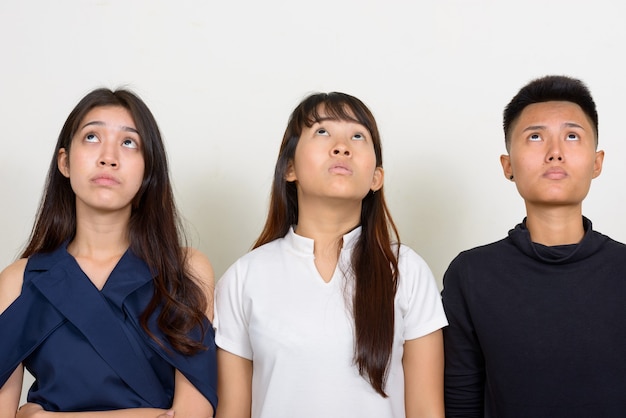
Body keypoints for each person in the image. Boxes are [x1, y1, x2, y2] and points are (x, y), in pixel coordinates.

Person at [214, 92, 448, 418]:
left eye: (357, 136)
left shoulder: (406, 270)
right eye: (322, 132)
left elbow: (426, 410)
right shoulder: (243, 277)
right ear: (290, 168)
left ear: (376, 178)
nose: (341, 146)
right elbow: (233, 411)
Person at [0, 88, 217, 417]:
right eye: (91, 137)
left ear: (147, 170)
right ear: (65, 162)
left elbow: (193, 414)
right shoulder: (19, 281)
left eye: (129, 142)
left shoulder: (186, 270)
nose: (108, 156)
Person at [442, 75, 626, 417]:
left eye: (572, 136)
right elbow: (461, 401)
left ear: (597, 162)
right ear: (508, 165)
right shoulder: (470, 274)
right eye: (536, 137)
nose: (555, 153)